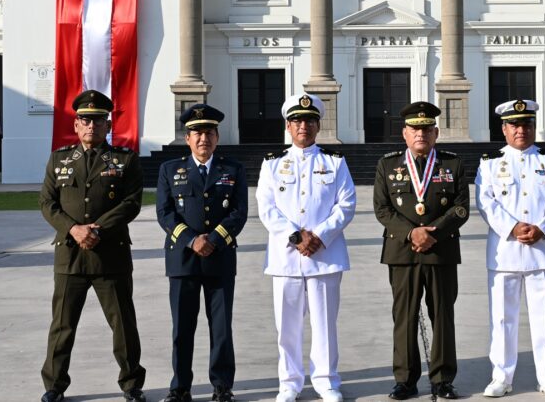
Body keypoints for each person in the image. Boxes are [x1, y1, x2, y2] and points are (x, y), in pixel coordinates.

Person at [37, 90, 146, 402]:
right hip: (70, 256)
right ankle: (54, 386)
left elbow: (131, 203)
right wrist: (74, 229)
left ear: (107, 125)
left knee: (123, 325)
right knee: (62, 326)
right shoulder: (59, 160)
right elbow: (47, 202)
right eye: (85, 119)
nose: (92, 125)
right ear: (76, 125)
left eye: (98, 120)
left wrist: (96, 229)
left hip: (110, 254)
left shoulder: (125, 160)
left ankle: (131, 384)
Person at [256, 94, 356, 402]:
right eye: (297, 121)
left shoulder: (334, 162)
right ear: (288, 126)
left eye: (310, 120)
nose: (304, 126)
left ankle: (326, 380)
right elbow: (266, 206)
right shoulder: (273, 163)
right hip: (286, 256)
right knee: (287, 325)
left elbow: (347, 204)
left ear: (318, 125)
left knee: (325, 323)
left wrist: (319, 235)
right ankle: (289, 382)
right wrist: (296, 236)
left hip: (325, 255)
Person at [373, 101, 469, 400]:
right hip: (402, 251)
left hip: (440, 250)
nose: (421, 134)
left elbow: (461, 207)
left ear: (436, 132)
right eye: (415, 129)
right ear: (404, 133)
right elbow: (382, 208)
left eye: (427, 129)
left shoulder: (452, 164)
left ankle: (442, 379)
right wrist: (411, 232)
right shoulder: (387, 165)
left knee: (442, 315)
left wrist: (433, 233)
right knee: (404, 316)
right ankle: (405, 379)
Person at [475, 99, 545, 398]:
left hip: (542, 249)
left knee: (544, 320)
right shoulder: (489, 162)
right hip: (505, 252)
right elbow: (485, 201)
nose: (521, 130)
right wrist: (513, 228)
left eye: (527, 124)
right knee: (503, 319)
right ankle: (501, 377)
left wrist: (542, 227)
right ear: (504, 128)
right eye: (514, 124)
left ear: (534, 127)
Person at [156, 104, 248, 402]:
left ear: (217, 137)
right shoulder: (170, 170)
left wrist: (215, 240)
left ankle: (222, 386)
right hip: (183, 260)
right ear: (187, 138)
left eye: (208, 132)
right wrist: (192, 240)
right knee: (182, 328)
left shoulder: (232, 169)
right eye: (196, 132)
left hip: (220, 259)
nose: (202, 138)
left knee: (221, 328)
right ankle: (180, 387)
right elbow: (165, 213)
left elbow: (239, 212)